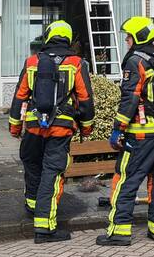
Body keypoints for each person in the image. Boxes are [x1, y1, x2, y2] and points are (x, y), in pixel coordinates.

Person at [8, 20, 95, 243]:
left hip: (35, 126)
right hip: (61, 128)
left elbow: (20, 96)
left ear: (48, 37)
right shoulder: (76, 63)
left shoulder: (32, 62)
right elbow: (85, 99)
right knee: (53, 171)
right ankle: (45, 228)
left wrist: (15, 126)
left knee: (33, 163)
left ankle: (33, 206)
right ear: (68, 39)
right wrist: (86, 128)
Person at [96, 16, 154, 246]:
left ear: (138, 37)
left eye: (129, 36)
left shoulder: (136, 62)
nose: (127, 41)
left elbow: (129, 99)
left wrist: (117, 129)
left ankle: (119, 231)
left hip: (141, 135)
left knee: (126, 179)